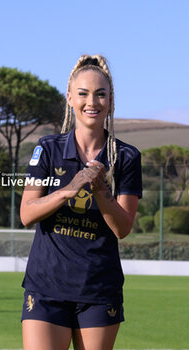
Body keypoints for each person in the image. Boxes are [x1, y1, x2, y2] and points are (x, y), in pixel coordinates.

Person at [20, 54, 142, 350]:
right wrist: (66, 190)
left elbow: (123, 227)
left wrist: (102, 191)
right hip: (46, 287)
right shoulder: (48, 149)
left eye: (101, 94)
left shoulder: (125, 156)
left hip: (99, 290)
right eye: (84, 93)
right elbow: (26, 214)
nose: (93, 102)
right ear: (70, 97)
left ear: (111, 101)